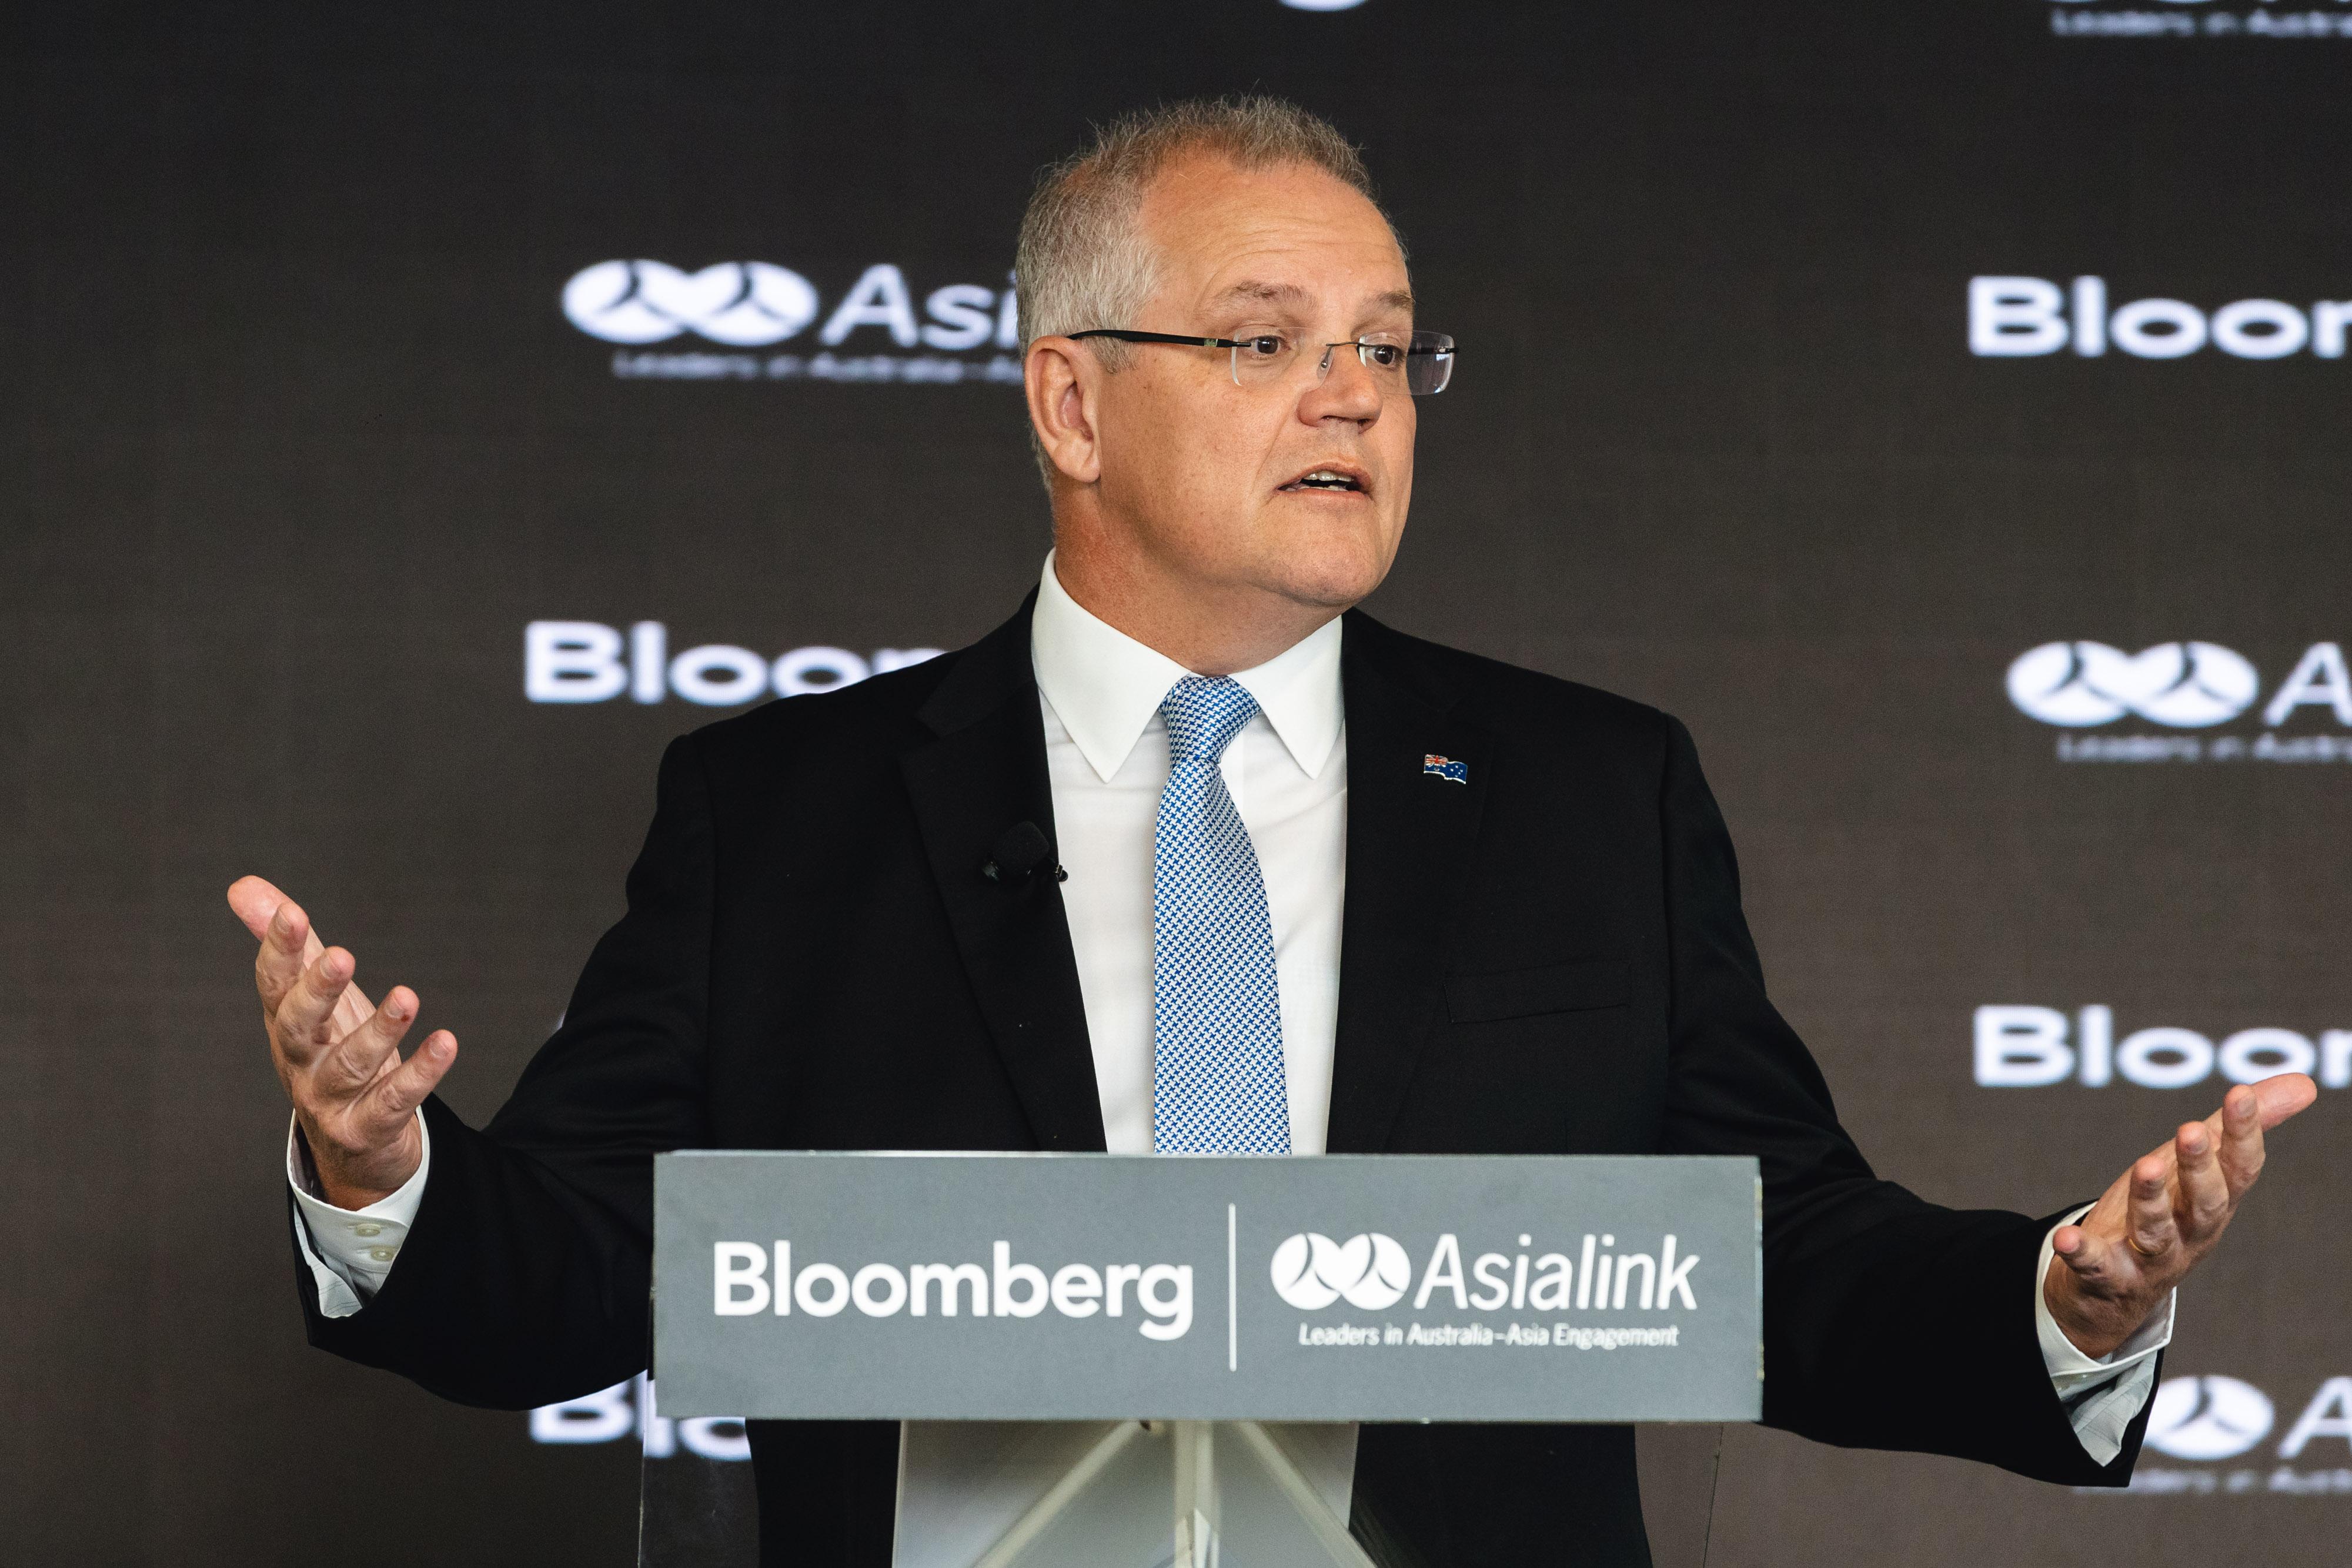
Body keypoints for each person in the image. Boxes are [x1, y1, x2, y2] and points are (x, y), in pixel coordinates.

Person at [229, 98, 2315, 1567]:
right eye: (1265, 343)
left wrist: (2068, 1297)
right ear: (1069, 401)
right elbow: (583, 1277)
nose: (1354, 397)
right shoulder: (780, 814)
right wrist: (382, 1165)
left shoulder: (1600, 790)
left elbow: (1776, 1259)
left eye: (1390, 351)